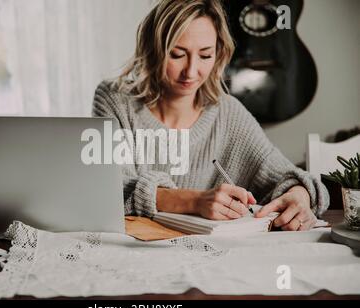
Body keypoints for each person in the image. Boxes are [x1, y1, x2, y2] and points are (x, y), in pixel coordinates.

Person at [92, 0, 329, 231]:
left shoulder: (228, 112)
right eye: (176, 54)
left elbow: (287, 175)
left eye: (205, 55)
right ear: (153, 49)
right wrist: (193, 201)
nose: (191, 72)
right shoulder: (115, 100)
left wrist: (300, 195)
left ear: (219, 53)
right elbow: (105, 190)